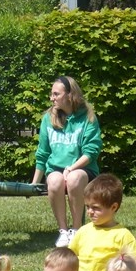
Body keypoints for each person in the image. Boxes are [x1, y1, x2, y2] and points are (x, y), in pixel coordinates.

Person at [30, 76, 103, 247]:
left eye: (56, 94)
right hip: (56, 170)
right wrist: (34, 183)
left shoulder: (88, 117)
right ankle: (63, 231)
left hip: (83, 170)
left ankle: (77, 231)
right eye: (51, 94)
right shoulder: (48, 118)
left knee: (74, 178)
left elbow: (91, 152)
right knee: (55, 180)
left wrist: (71, 168)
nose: (51, 98)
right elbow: (43, 153)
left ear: (70, 95)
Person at [69, 173, 136, 271]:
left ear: (113, 207)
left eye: (96, 208)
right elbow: (69, 260)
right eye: (88, 207)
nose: (90, 212)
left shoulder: (123, 235)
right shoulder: (83, 232)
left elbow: (133, 268)